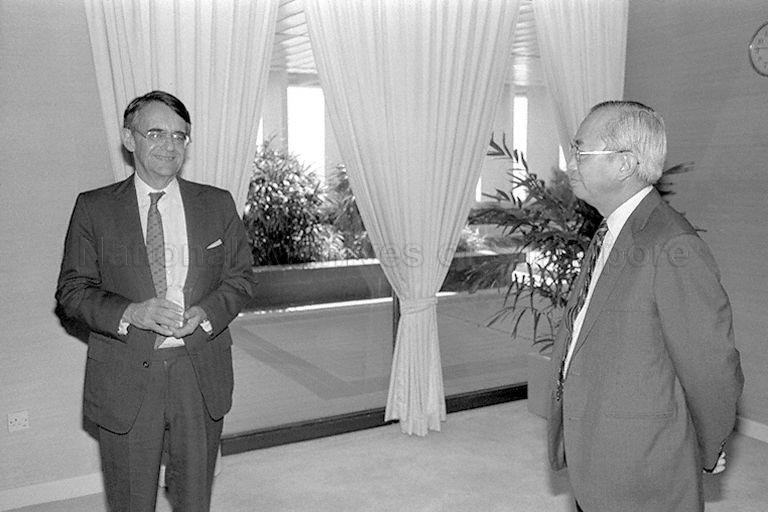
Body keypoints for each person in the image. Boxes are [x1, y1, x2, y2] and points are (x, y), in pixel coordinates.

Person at [56, 90, 255, 511]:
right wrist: (131, 312)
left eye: (180, 136)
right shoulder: (94, 208)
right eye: (156, 133)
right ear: (129, 139)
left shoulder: (217, 203)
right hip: (126, 374)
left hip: (199, 372)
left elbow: (240, 278)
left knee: (193, 498)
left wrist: (206, 314)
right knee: (131, 500)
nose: (170, 145)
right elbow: (72, 291)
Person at [547, 100, 743, 512]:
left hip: (640, 469)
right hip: (597, 453)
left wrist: (705, 446)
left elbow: (710, 368)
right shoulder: (611, 230)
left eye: (581, 151)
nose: (571, 162)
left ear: (624, 164)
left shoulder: (673, 245)